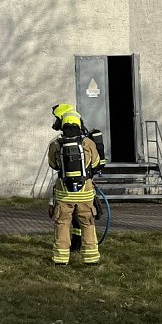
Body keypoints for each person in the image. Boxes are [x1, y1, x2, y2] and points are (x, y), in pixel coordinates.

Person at [47, 112, 102, 266]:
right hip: (85, 193)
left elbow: (53, 164)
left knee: (62, 224)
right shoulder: (88, 143)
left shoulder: (56, 144)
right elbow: (96, 163)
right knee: (87, 224)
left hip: (64, 193)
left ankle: (60, 259)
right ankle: (91, 258)